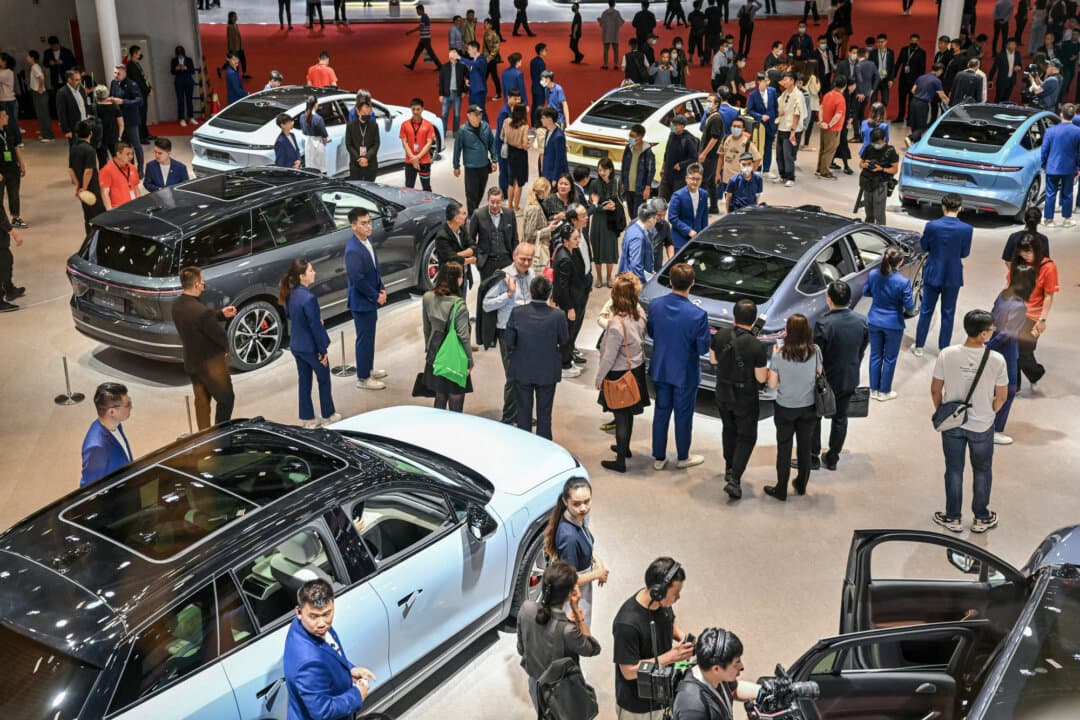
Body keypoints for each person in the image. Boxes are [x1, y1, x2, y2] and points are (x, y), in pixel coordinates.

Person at [931, 310, 1009, 533]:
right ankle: (981, 517)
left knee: (954, 470)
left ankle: (953, 517)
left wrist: (946, 414)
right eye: (991, 330)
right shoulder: (996, 360)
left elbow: (936, 390)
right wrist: (988, 411)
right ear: (983, 334)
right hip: (982, 425)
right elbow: (1002, 396)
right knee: (982, 470)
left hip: (953, 426)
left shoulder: (947, 354)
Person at [612, 557, 694, 718]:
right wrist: (670, 657)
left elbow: (672, 623)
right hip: (637, 708)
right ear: (658, 591)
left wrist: (685, 641)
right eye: (675, 593)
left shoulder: (662, 604)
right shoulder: (627, 624)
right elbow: (628, 671)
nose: (678, 597)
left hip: (663, 695)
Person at [284, 580, 376, 720]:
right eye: (314, 616)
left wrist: (349, 669)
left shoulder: (305, 626)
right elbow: (323, 711)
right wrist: (357, 694)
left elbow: (331, 653)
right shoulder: (307, 663)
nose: (321, 624)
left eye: (327, 614)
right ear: (299, 612)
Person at [648, 263, 710, 470]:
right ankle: (683, 456)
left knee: (661, 412)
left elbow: (651, 332)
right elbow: (702, 348)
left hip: (661, 367)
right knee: (684, 416)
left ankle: (659, 456)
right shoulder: (698, 315)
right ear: (692, 284)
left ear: (670, 281)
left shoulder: (655, 305)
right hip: (685, 373)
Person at [516, 560, 601, 712]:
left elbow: (521, 650)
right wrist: (577, 612)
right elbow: (593, 649)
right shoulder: (568, 631)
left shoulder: (526, 608)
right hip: (562, 696)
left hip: (536, 688)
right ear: (570, 594)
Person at [710, 298, 768, 499]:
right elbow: (761, 377)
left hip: (722, 392)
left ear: (733, 316)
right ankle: (735, 478)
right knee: (747, 436)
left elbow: (713, 360)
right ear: (753, 321)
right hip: (745, 396)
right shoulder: (756, 346)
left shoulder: (720, 335)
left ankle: (728, 467)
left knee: (729, 429)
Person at [594, 275, 652, 473]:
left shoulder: (616, 324)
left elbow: (609, 357)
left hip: (619, 373)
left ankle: (620, 461)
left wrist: (599, 378)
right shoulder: (639, 313)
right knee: (629, 414)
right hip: (636, 370)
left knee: (620, 416)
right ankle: (624, 447)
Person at [810, 281, 868, 472]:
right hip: (849, 377)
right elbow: (861, 350)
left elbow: (815, 356)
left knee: (815, 417)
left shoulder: (823, 323)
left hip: (824, 381)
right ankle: (833, 458)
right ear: (849, 300)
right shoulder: (862, 321)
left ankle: (813, 457)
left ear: (829, 300)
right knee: (841, 418)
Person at [505, 275, 570, 439]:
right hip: (547, 371)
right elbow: (564, 340)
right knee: (545, 415)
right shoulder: (558, 315)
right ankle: (544, 448)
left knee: (523, 414)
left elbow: (509, 341)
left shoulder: (517, 312)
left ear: (530, 291)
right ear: (550, 293)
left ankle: (526, 446)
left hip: (522, 369)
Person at [765, 313, 821, 500]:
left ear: (788, 332)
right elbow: (819, 374)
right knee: (805, 447)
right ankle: (801, 485)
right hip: (809, 407)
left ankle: (781, 489)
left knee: (784, 449)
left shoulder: (780, 355)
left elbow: (772, 385)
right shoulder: (815, 351)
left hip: (785, 408)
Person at [173, 266, 237, 430]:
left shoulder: (177, 305)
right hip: (211, 366)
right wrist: (226, 349)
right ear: (195, 285)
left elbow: (198, 321)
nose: (204, 285)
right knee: (226, 400)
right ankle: (220, 436)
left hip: (192, 363)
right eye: (202, 283)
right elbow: (219, 335)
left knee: (202, 402)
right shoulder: (202, 312)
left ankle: (203, 436)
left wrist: (220, 314)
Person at [280, 259, 339, 428]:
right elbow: (315, 327)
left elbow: (291, 316)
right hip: (311, 348)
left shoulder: (290, 294)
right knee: (324, 379)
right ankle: (328, 414)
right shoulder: (309, 298)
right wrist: (322, 351)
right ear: (302, 276)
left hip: (297, 346)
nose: (314, 273)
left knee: (304, 382)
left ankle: (308, 419)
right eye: (311, 271)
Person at [483, 243, 537, 423]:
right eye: (523, 258)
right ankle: (508, 418)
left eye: (529, 259)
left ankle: (524, 414)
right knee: (513, 377)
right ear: (514, 256)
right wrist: (508, 294)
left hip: (528, 333)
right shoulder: (503, 277)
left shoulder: (532, 274)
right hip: (508, 333)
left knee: (527, 375)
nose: (526, 263)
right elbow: (486, 303)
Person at [542, 477, 609, 623]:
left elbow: (585, 543)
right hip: (574, 594)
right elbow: (570, 580)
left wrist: (595, 559)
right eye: (577, 504)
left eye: (587, 501)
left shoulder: (578, 517)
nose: (583, 508)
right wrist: (598, 573)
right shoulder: (569, 538)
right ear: (565, 502)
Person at [914, 193, 972, 355]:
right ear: (960, 208)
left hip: (933, 272)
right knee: (948, 312)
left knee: (926, 310)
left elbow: (924, 246)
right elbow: (965, 253)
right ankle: (943, 348)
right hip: (953, 275)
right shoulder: (967, 229)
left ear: (943, 207)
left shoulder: (932, 225)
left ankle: (919, 346)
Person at [988, 266, 1035, 445]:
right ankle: (995, 429)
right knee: (1008, 391)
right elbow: (1008, 334)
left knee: (991, 388)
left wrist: (986, 343)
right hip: (1005, 352)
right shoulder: (1019, 305)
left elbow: (992, 317)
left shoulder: (1003, 294)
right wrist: (989, 347)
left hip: (993, 344)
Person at [671, 629, 763, 720]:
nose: (741, 666)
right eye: (736, 663)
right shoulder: (693, 708)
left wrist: (763, 692)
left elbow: (734, 689)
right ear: (716, 669)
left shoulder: (710, 672)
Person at [345, 207, 388, 392]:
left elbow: (374, 270)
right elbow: (359, 280)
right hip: (362, 303)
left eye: (369, 221)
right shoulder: (353, 250)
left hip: (371, 298)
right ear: (353, 225)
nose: (368, 226)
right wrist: (376, 296)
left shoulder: (367, 241)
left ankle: (368, 369)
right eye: (363, 223)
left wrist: (382, 288)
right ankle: (363, 378)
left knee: (369, 338)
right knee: (364, 340)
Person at [422, 261, 474, 412]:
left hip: (435, 354)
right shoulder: (459, 305)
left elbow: (426, 328)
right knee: (455, 400)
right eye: (461, 276)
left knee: (439, 397)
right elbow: (463, 337)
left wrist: (429, 352)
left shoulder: (427, 297)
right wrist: (469, 362)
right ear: (456, 279)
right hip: (455, 357)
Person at [865, 247, 914, 402]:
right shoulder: (903, 282)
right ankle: (884, 391)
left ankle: (873, 390)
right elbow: (910, 306)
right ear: (900, 262)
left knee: (875, 355)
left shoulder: (873, 274)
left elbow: (866, 292)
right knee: (890, 358)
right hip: (894, 324)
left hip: (874, 320)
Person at [1010, 235, 1057, 391]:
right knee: (1011, 349)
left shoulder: (1048, 267)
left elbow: (1049, 295)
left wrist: (1042, 320)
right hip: (1014, 312)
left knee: (1024, 353)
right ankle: (1014, 385)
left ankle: (1035, 373)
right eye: (1022, 253)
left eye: (1028, 253)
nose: (1025, 256)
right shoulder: (1019, 263)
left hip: (1033, 315)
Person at [552, 224, 589, 377]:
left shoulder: (566, 251)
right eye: (575, 238)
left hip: (576, 297)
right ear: (566, 241)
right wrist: (569, 308)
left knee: (570, 332)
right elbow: (562, 287)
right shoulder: (565, 259)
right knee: (567, 333)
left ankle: (567, 359)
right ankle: (564, 364)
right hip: (570, 302)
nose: (578, 241)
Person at [79, 382, 133, 487]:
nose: (131, 407)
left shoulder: (116, 425)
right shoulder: (96, 448)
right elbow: (89, 489)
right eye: (127, 405)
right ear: (112, 412)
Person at [1040, 103, 1080, 227]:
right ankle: (1067, 220)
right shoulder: (1078, 131)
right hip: (1069, 168)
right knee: (1068, 194)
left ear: (1061, 114)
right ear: (1073, 116)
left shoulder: (1050, 131)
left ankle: (1048, 220)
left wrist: (1044, 164)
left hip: (1052, 167)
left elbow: (1044, 149)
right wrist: (1078, 167)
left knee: (1050, 193)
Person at [454, 105, 498, 214]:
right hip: (471, 168)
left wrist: (494, 159)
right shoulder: (462, 130)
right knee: (471, 194)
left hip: (484, 166)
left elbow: (492, 144)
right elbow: (457, 149)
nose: (478, 117)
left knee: (480, 192)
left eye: (480, 114)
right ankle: (472, 217)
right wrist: (456, 166)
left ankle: (475, 212)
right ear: (468, 115)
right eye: (475, 114)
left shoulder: (486, 127)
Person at [470, 187, 519, 281]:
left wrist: (515, 258)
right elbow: (470, 240)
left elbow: (514, 238)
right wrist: (478, 258)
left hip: (507, 261)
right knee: (487, 291)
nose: (495, 205)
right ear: (487, 200)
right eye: (492, 202)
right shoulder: (478, 215)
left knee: (507, 291)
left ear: (502, 201)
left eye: (498, 202)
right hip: (487, 262)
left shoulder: (510, 214)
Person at [588, 158, 623, 287]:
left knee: (610, 251)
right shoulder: (594, 184)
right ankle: (598, 277)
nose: (602, 172)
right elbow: (591, 205)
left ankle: (609, 278)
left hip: (611, 222)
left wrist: (615, 205)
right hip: (598, 221)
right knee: (597, 250)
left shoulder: (616, 183)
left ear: (611, 170)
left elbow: (620, 201)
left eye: (604, 170)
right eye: (600, 170)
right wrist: (604, 207)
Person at [67, 120, 105, 236]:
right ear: (91, 134)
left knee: (88, 215)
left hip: (82, 188)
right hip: (92, 187)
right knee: (98, 215)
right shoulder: (90, 150)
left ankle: (89, 237)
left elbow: (70, 170)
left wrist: (78, 186)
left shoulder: (73, 148)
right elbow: (88, 171)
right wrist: (84, 187)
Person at [858, 128, 899, 224]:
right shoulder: (869, 148)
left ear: (884, 139)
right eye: (874, 143)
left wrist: (882, 169)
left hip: (881, 184)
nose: (876, 145)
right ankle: (869, 229)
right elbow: (861, 164)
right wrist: (866, 165)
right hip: (867, 182)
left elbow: (895, 169)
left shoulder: (890, 150)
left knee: (879, 213)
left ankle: (881, 231)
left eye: (879, 143)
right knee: (868, 210)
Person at [109, 64, 144, 177]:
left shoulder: (132, 84)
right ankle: (130, 167)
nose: (116, 75)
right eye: (115, 73)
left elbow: (139, 101)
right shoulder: (113, 83)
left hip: (131, 119)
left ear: (124, 73)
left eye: (118, 73)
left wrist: (123, 102)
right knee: (125, 146)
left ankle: (140, 169)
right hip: (119, 120)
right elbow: (111, 96)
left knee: (136, 145)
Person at [667, 163, 708, 253]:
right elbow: (672, 218)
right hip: (680, 238)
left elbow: (704, 216)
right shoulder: (678, 195)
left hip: (697, 237)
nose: (695, 182)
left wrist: (704, 234)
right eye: (692, 179)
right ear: (686, 178)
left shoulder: (704, 194)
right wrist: (688, 231)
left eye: (698, 179)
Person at [400, 98, 436, 192]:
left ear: (422, 109)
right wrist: (413, 157)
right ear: (410, 109)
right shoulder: (405, 125)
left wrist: (417, 157)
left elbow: (429, 143)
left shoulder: (428, 125)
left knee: (426, 188)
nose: (415, 112)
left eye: (418, 109)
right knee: (408, 188)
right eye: (413, 109)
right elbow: (404, 142)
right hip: (409, 161)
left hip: (424, 161)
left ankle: (429, 206)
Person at [617, 202, 659, 283]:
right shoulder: (638, 238)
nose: (656, 221)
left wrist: (649, 272)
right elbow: (636, 265)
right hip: (633, 282)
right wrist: (645, 281)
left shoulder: (633, 228)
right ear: (650, 219)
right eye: (655, 218)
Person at [746, 73, 779, 175]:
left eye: (768, 81)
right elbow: (750, 110)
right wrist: (760, 116)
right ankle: (758, 168)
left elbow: (775, 106)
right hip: (760, 126)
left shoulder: (772, 91)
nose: (767, 83)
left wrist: (773, 117)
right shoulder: (752, 95)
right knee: (758, 147)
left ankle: (766, 169)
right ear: (759, 82)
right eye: (765, 81)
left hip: (771, 124)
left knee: (768, 147)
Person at [660, 115, 699, 199]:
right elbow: (667, 152)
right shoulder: (671, 135)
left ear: (682, 126)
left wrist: (681, 165)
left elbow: (694, 157)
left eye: (675, 125)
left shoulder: (688, 139)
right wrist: (663, 167)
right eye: (672, 124)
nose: (672, 126)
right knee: (661, 200)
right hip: (667, 174)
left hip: (679, 177)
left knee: (677, 200)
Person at [621, 124, 656, 218]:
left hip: (640, 190)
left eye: (632, 136)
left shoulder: (647, 152)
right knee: (631, 214)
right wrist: (623, 182)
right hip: (629, 188)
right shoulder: (628, 148)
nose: (630, 138)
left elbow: (651, 170)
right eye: (630, 135)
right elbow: (624, 166)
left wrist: (647, 187)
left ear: (640, 137)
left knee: (638, 216)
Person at [815, 76, 846, 178]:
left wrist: (821, 121)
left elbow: (821, 108)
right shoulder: (841, 99)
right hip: (833, 129)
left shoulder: (827, 95)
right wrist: (829, 125)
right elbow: (838, 115)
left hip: (823, 126)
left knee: (823, 148)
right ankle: (825, 172)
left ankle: (819, 168)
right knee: (830, 150)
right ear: (844, 86)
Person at [909, 64, 948, 144]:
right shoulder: (936, 81)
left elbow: (913, 90)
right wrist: (949, 102)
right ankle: (910, 138)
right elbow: (942, 95)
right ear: (939, 70)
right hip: (922, 104)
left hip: (913, 101)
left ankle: (916, 143)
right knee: (922, 126)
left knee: (914, 124)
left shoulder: (921, 77)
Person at [0, 109, 25, 229]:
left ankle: (16, 218)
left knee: (14, 194)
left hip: (13, 168)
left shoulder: (9, 130)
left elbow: (16, 147)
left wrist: (22, 164)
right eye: (4, 115)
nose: (7, 117)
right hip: (1, 170)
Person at [503, 103, 531, 210]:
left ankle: (509, 205)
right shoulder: (524, 126)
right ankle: (516, 207)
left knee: (511, 181)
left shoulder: (506, 121)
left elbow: (502, 136)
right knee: (519, 182)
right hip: (520, 155)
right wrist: (529, 143)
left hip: (510, 152)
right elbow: (524, 144)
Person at [98, 143, 141, 211]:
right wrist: (110, 211)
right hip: (119, 209)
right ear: (118, 154)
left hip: (134, 207)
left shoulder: (132, 167)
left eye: (132, 154)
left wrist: (139, 204)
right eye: (127, 154)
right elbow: (104, 193)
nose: (131, 157)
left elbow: (136, 187)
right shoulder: (107, 170)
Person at [894, 34, 927, 122]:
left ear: (918, 42)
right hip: (903, 79)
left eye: (916, 41)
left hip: (914, 80)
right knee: (901, 98)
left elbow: (922, 68)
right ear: (910, 40)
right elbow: (898, 63)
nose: (914, 42)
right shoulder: (904, 50)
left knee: (912, 100)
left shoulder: (921, 52)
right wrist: (894, 76)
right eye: (912, 40)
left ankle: (910, 118)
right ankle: (900, 117)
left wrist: (920, 81)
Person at [25, 51, 55, 142]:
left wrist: (40, 87)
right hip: (36, 93)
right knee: (40, 114)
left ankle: (49, 136)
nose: (27, 58)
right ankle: (44, 134)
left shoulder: (35, 67)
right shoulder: (34, 66)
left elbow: (41, 77)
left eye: (28, 56)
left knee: (43, 114)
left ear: (32, 58)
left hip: (39, 93)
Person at [57, 69, 90, 144]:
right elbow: (61, 113)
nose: (79, 82)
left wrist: (87, 115)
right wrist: (66, 130)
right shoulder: (62, 93)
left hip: (84, 124)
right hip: (73, 127)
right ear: (69, 80)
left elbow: (85, 104)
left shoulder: (81, 89)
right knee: (75, 149)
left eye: (80, 80)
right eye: (77, 80)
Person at [404, 4, 441, 70]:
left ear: (421, 10)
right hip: (424, 38)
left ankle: (440, 66)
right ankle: (412, 65)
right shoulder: (425, 16)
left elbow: (420, 27)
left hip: (425, 38)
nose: (417, 13)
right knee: (418, 51)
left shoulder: (424, 17)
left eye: (417, 11)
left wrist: (410, 32)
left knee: (430, 53)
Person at [539, 108, 568, 183]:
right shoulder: (548, 131)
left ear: (549, 119)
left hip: (554, 176)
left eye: (543, 118)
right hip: (547, 173)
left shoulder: (559, 137)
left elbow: (560, 159)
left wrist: (555, 178)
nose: (541, 120)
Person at [170, 46, 196, 127]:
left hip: (188, 81)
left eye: (181, 53)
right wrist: (176, 69)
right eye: (178, 54)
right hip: (179, 82)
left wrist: (186, 68)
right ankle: (182, 118)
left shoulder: (189, 60)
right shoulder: (174, 60)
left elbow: (192, 71)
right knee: (180, 100)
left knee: (189, 100)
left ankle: (191, 117)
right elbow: (172, 72)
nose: (180, 55)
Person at [989, 38, 1022, 103]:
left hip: (1011, 81)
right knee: (998, 98)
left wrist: (1019, 68)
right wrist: (990, 79)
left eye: (1014, 44)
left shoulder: (1017, 54)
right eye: (1011, 44)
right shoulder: (1001, 55)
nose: (1013, 46)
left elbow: (1020, 65)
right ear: (1007, 45)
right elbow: (994, 68)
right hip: (1001, 81)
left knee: (1006, 99)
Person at [600, 0, 626, 69]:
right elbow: (621, 23)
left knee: (606, 49)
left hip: (606, 33)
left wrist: (599, 20)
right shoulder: (616, 13)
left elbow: (602, 23)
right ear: (614, 4)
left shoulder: (604, 13)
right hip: (614, 33)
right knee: (616, 49)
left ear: (608, 4)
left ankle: (605, 64)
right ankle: (616, 64)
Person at [482, 18, 503, 102]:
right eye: (484, 23)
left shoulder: (494, 35)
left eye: (486, 24)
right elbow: (484, 47)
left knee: (494, 76)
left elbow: (496, 48)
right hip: (486, 59)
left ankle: (498, 94)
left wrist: (489, 58)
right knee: (485, 76)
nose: (484, 25)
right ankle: (482, 92)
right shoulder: (486, 33)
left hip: (491, 60)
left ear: (490, 25)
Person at [530, 44, 548, 126]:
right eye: (545, 50)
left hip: (534, 86)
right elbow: (543, 77)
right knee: (540, 107)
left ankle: (533, 123)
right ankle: (538, 125)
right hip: (540, 88)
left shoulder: (533, 61)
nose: (547, 51)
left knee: (534, 106)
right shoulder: (541, 63)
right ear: (541, 52)